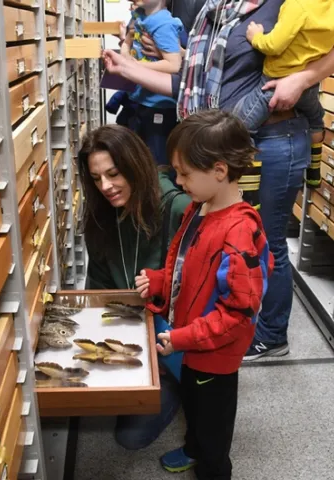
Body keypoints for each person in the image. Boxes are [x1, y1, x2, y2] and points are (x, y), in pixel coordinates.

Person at [103, 0, 331, 360]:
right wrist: (128, 68)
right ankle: (225, 322)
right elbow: (185, 83)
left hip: (274, 138)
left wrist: (304, 78)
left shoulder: (279, 5)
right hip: (217, 146)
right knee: (225, 240)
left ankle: (271, 335)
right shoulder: (212, 11)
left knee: (264, 242)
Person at [135, 110, 274, 478]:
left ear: (218, 170)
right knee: (194, 406)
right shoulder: (199, 207)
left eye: (184, 173)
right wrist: (160, 281)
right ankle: (194, 447)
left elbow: (236, 314)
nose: (177, 182)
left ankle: (212, 465)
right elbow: (185, 266)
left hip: (213, 353)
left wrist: (182, 337)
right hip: (191, 342)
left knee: (213, 422)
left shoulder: (239, 233)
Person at [78, 124, 191, 449]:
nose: (106, 186)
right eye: (97, 178)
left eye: (114, 174)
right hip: (129, 332)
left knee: (131, 437)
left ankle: (179, 386)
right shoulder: (100, 219)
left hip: (173, 341)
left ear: (134, 166)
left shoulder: (178, 209)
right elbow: (97, 291)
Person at [233, 0, 334, 189]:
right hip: (307, 86)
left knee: (240, 127)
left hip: (275, 84)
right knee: (316, 119)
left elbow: (273, 45)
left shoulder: (297, 5)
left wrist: (255, 37)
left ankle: (249, 196)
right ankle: (313, 172)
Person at [119, 0, 186, 167]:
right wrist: (125, 55)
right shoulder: (139, 17)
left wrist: (133, 66)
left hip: (159, 107)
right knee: (138, 161)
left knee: (158, 165)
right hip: (140, 101)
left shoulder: (162, 23)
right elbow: (127, 44)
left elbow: (173, 64)